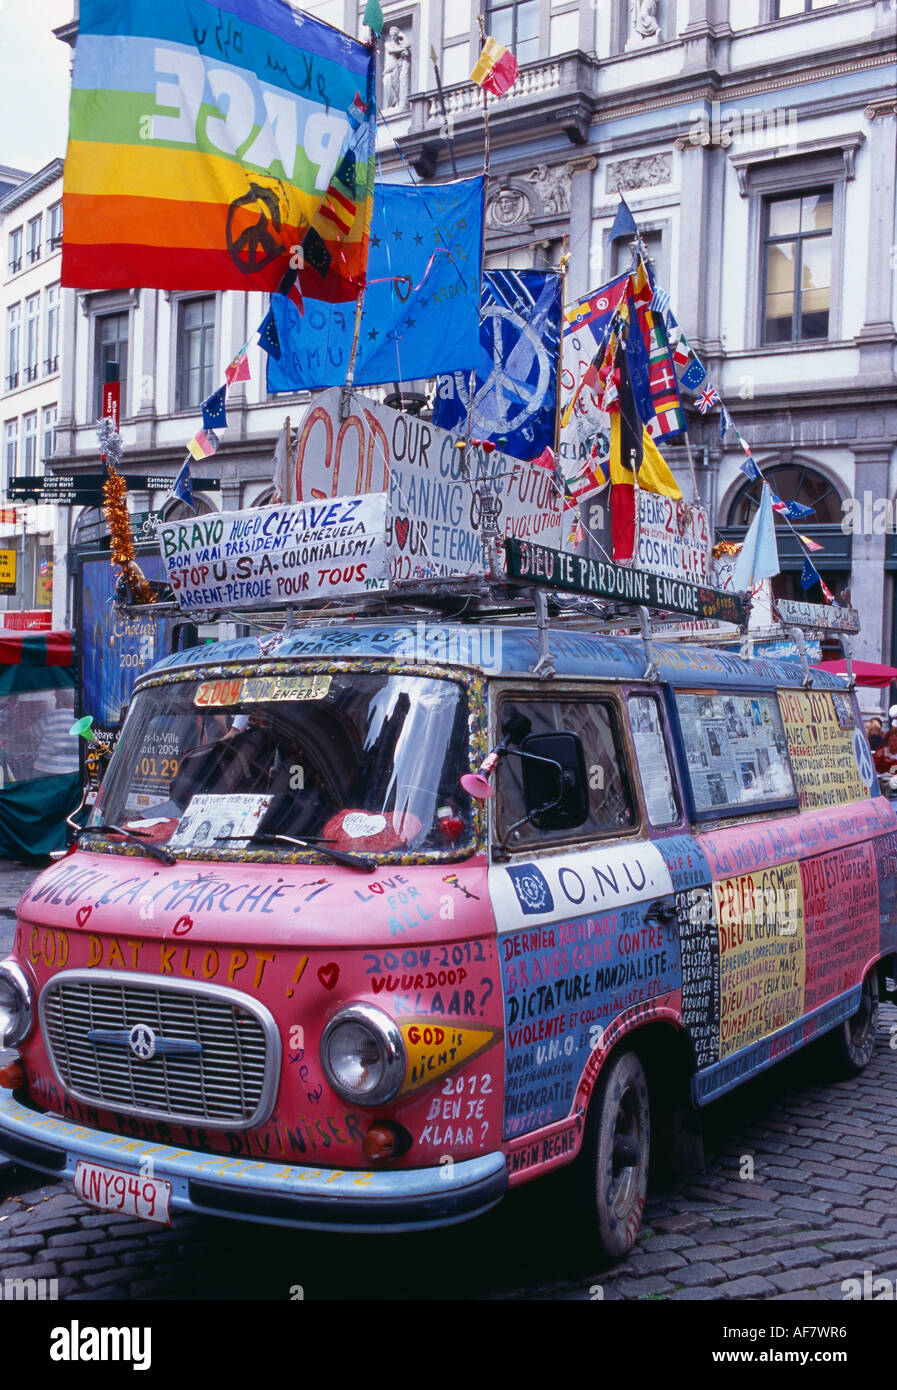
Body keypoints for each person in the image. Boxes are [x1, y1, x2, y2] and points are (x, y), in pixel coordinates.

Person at [33, 687, 79, 778]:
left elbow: (31, 734)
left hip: (47, 768)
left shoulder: (52, 716)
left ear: (60, 701)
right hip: (75, 769)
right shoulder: (80, 719)